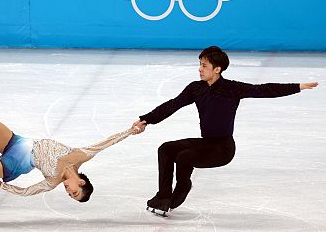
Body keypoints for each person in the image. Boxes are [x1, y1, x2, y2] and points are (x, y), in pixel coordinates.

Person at [132, 46, 319, 216]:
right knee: (166, 149)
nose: (199, 69)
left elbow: (264, 90)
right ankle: (163, 197)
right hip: (205, 143)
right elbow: (172, 105)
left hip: (222, 149)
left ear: (217, 69)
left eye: (204, 65)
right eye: (200, 64)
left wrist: (297, 87)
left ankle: (182, 188)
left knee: (183, 157)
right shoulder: (195, 89)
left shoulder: (232, 89)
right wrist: (145, 120)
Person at [0, 117, 137, 225]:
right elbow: (107, 142)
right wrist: (131, 131)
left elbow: (27, 191)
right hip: (19, 142)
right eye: (73, 192)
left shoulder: (52, 181)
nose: (68, 191)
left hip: (17, 162)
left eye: (70, 195)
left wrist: (2, 185)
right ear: (81, 182)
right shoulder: (80, 155)